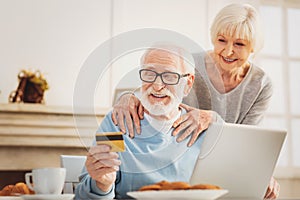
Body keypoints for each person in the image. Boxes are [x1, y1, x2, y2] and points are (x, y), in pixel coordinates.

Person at [110, 3, 279, 199]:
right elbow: (151, 88)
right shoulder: (190, 64)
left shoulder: (261, 84)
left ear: (253, 48)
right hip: (178, 166)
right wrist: (126, 97)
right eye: (221, 40)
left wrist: (262, 175)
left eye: (239, 44)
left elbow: (248, 143)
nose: (228, 51)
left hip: (224, 167)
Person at [75, 47, 222, 199]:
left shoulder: (203, 129)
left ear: (188, 84)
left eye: (170, 76)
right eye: (149, 74)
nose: (157, 86)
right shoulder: (118, 123)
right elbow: (84, 196)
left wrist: (216, 120)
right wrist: (102, 185)